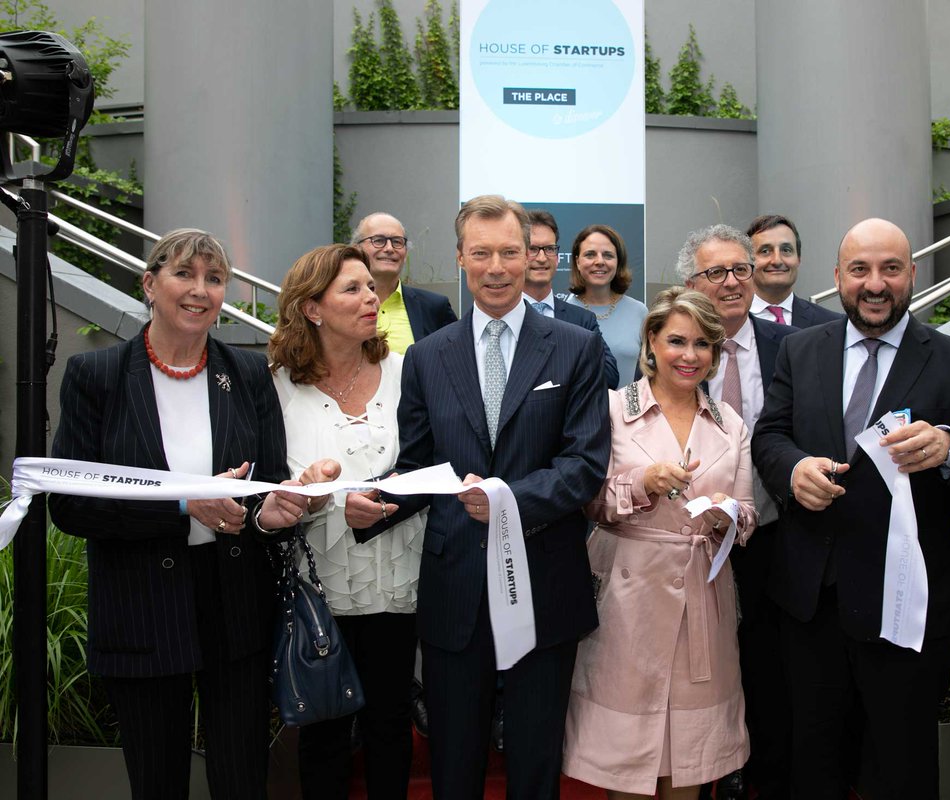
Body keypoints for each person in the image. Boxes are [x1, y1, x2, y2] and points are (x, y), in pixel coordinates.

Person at [348, 195, 611, 800]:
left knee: (536, 762)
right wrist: (377, 502)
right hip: (456, 584)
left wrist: (507, 500)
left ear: (532, 257)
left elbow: (585, 465)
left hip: (544, 581)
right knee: (454, 763)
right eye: (482, 253)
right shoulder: (427, 356)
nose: (496, 268)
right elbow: (420, 465)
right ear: (460, 257)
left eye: (510, 252)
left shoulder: (574, 346)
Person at [752, 218, 950, 799]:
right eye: (860, 270)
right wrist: (793, 470)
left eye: (890, 269)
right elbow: (769, 436)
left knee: (902, 773)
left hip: (907, 614)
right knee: (812, 771)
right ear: (838, 277)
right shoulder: (800, 350)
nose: (875, 284)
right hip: (812, 606)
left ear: (912, 274)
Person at [48, 229, 311, 799]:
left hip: (235, 605)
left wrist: (273, 512)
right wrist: (184, 506)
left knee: (241, 780)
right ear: (149, 284)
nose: (200, 290)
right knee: (157, 781)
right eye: (184, 274)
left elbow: (263, 490)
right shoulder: (97, 377)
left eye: (214, 279)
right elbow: (70, 503)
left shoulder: (248, 374)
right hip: (140, 605)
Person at [563, 287, 757, 799]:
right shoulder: (611, 409)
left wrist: (727, 515)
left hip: (703, 602)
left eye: (702, 344)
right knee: (627, 761)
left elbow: (747, 513)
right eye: (677, 341)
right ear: (651, 340)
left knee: (689, 762)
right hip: (627, 601)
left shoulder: (730, 423)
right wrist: (641, 484)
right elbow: (588, 500)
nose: (689, 356)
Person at [269, 243, 426, 798]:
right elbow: (265, 483)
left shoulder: (407, 371)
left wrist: (386, 498)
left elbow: (428, 461)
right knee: (325, 727)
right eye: (353, 289)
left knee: (390, 721)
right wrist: (304, 493)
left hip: (399, 577)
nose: (371, 299)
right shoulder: (277, 386)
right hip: (319, 583)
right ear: (312, 308)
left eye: (371, 288)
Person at [678, 224, 797, 799]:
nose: (731, 282)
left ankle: (763, 777)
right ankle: (710, 772)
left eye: (740, 269)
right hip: (694, 543)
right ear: (690, 283)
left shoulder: (793, 346)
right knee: (703, 668)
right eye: (715, 272)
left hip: (774, 536)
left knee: (769, 667)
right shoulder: (673, 352)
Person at [524, 209, 619, 390]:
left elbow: (609, 376)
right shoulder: (502, 315)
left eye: (550, 249)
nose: (542, 258)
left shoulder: (582, 319)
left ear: (558, 257)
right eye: (533, 249)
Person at [353, 211, 457, 352]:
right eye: (378, 240)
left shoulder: (434, 308)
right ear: (357, 249)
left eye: (397, 242)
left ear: (406, 253)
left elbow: (456, 358)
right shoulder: (339, 305)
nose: (389, 248)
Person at [565, 223, 648, 387]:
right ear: (577, 262)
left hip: (630, 404)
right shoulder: (564, 313)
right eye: (590, 254)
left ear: (618, 262)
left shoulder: (640, 312)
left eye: (608, 255)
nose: (599, 261)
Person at [746, 214, 841, 328]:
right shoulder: (730, 322)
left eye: (786, 250)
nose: (777, 261)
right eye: (765, 251)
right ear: (748, 262)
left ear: (798, 259)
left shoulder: (832, 324)